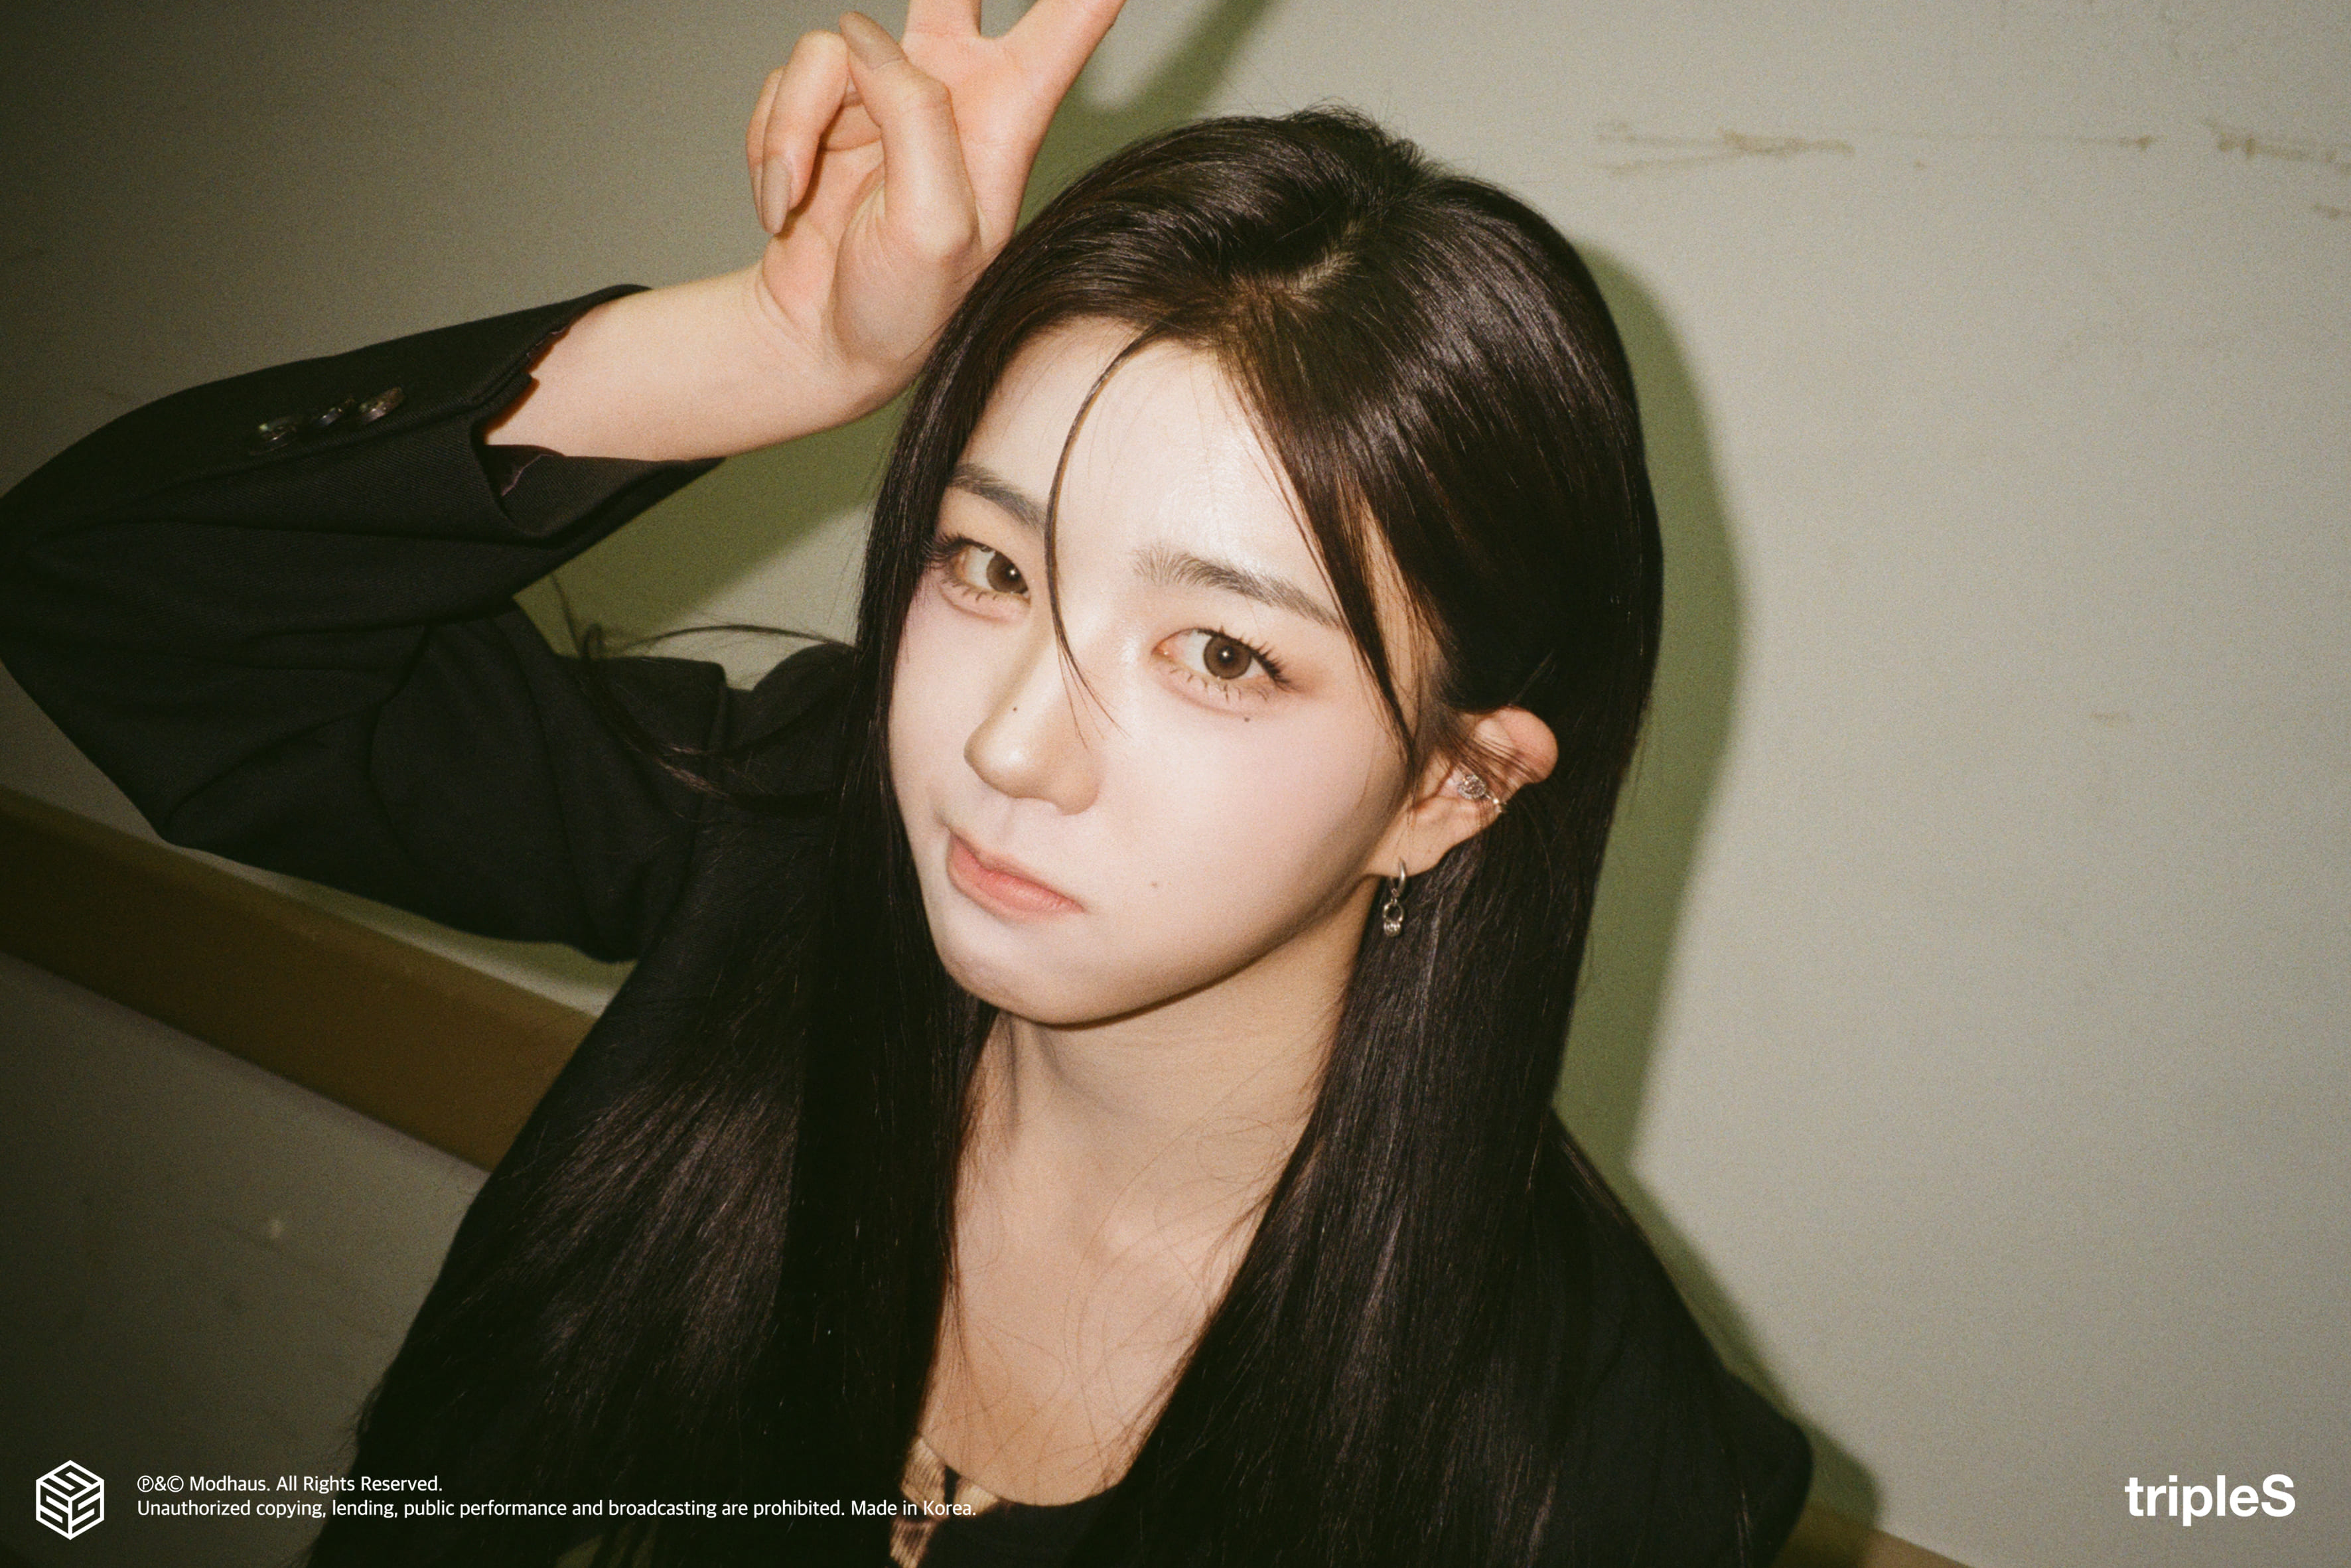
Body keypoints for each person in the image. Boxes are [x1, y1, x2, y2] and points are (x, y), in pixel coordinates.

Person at [0, 4, 1811, 1565]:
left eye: (1220, 653)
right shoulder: (790, 845)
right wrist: (775, 349)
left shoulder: (1590, 1476)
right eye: (990, 566)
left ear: (1454, 788)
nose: (1008, 746)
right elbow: (119, 607)